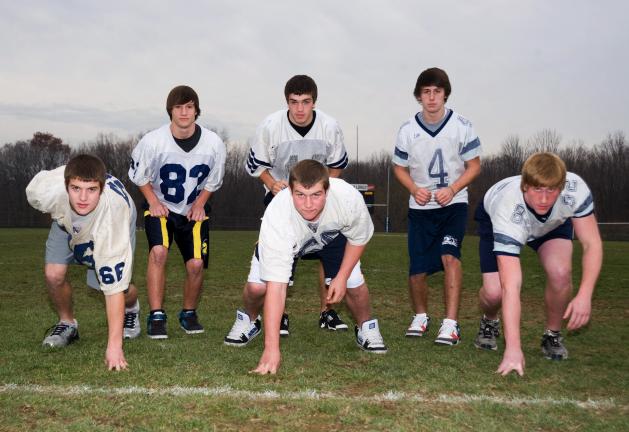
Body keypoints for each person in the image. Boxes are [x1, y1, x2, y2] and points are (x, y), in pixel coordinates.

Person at [224, 160, 387, 374]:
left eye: (316, 195)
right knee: (257, 288)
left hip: (333, 236)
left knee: (353, 284)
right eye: (300, 195)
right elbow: (278, 286)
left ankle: (367, 327)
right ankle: (249, 320)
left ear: (327, 191)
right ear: (290, 191)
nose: (308, 204)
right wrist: (271, 349)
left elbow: (358, 238)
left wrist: (341, 276)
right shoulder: (278, 215)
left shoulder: (348, 199)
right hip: (290, 238)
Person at [474, 152, 602, 376]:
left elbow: (592, 243)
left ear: (561, 187)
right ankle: (490, 320)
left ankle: (552, 335)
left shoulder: (575, 190)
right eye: (537, 190)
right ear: (525, 186)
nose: (543, 199)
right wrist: (513, 349)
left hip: (551, 225)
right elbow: (511, 286)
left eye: (551, 190)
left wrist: (585, 294)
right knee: (494, 293)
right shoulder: (507, 207)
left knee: (561, 273)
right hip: (505, 219)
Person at [245, 75, 350, 336]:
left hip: (318, 202)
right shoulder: (270, 126)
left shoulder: (329, 126)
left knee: (326, 252)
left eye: (306, 102)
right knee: (279, 257)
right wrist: (271, 183)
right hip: (282, 201)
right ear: (287, 102)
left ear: (314, 102)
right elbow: (256, 165)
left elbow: (337, 165)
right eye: (294, 102)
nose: (300, 109)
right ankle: (278, 314)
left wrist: (324, 191)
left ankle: (327, 311)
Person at [128, 85, 226, 339]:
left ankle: (188, 313)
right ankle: (156, 315)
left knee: (195, 265)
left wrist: (201, 202)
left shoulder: (213, 143)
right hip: (161, 207)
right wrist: (152, 201)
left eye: (189, 107)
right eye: (178, 107)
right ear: (170, 111)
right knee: (158, 252)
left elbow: (213, 181)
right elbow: (138, 176)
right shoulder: (153, 141)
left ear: (196, 110)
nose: (184, 112)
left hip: (193, 209)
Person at [392, 67, 481, 345]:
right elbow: (399, 168)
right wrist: (414, 189)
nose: (432, 98)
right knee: (417, 268)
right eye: (426, 92)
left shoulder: (462, 126)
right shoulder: (407, 130)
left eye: (437, 92)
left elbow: (474, 166)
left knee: (449, 256)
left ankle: (451, 324)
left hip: (453, 204)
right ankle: (421, 316)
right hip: (421, 208)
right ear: (418, 96)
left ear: (445, 94)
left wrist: (453, 189)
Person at [26, 154, 139, 371]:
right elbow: (42, 197)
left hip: (105, 224)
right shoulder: (47, 191)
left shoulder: (113, 216)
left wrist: (114, 347)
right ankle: (67, 324)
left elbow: (113, 288)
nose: (83, 197)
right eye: (76, 188)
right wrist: (66, 218)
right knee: (53, 275)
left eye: (92, 189)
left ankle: (132, 307)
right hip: (66, 219)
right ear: (66, 185)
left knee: (107, 286)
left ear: (102, 189)